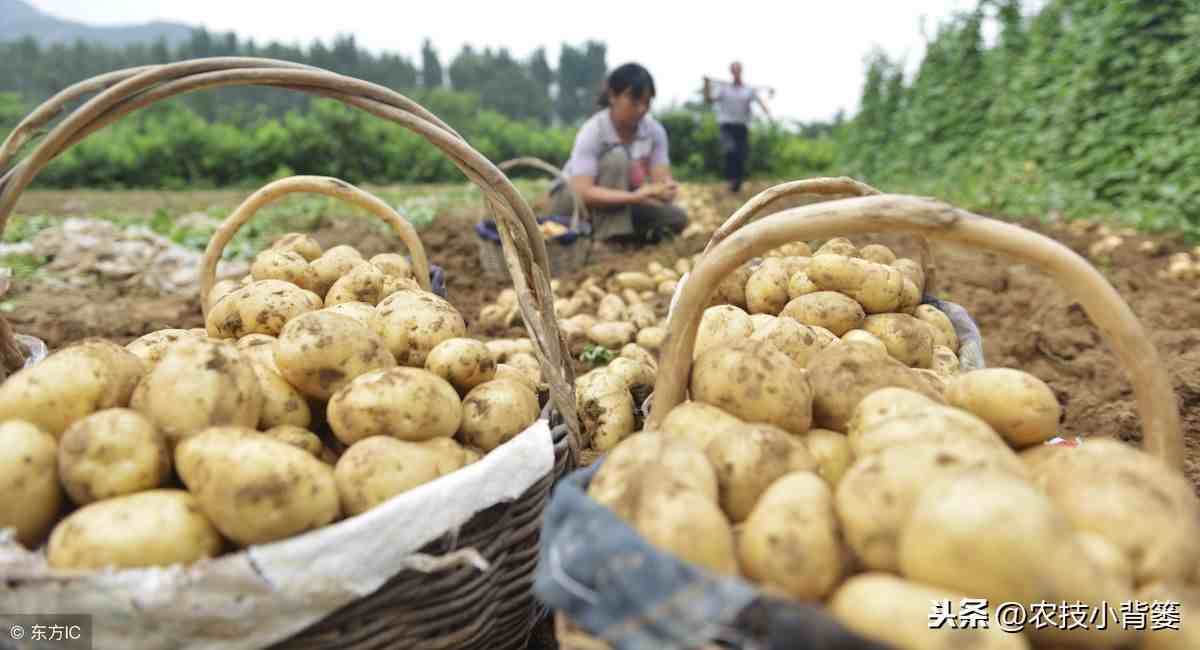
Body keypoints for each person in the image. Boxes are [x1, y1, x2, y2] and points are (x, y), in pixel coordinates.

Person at [547, 63, 687, 243]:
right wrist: (635, 197)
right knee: (616, 158)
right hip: (572, 200)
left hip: (621, 200)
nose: (642, 109)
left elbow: (661, 181)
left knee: (675, 217)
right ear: (613, 96)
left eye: (647, 102)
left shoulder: (654, 132)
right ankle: (609, 239)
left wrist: (665, 191)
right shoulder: (593, 131)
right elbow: (582, 191)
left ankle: (602, 231)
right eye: (634, 101)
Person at [703, 61, 773, 193]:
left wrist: (768, 113)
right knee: (730, 151)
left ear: (741, 71)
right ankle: (730, 180)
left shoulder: (748, 89)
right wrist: (706, 85)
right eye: (734, 70)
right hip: (726, 126)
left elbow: (760, 102)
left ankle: (737, 184)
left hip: (741, 127)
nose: (736, 73)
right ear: (731, 72)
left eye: (738, 70)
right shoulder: (723, 88)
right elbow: (708, 100)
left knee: (741, 154)